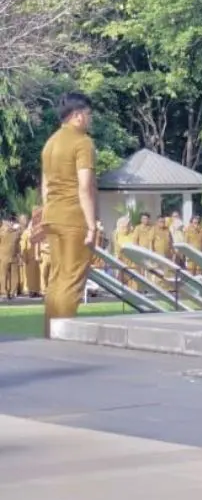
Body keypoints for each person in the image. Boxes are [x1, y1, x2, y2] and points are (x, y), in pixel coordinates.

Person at [37, 92, 98, 336]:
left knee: (57, 279)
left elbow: (45, 183)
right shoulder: (82, 142)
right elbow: (85, 186)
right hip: (74, 217)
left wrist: (48, 211)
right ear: (77, 116)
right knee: (72, 280)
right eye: (89, 115)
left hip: (53, 215)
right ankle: (63, 335)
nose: (90, 120)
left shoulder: (50, 142)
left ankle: (50, 334)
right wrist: (92, 224)